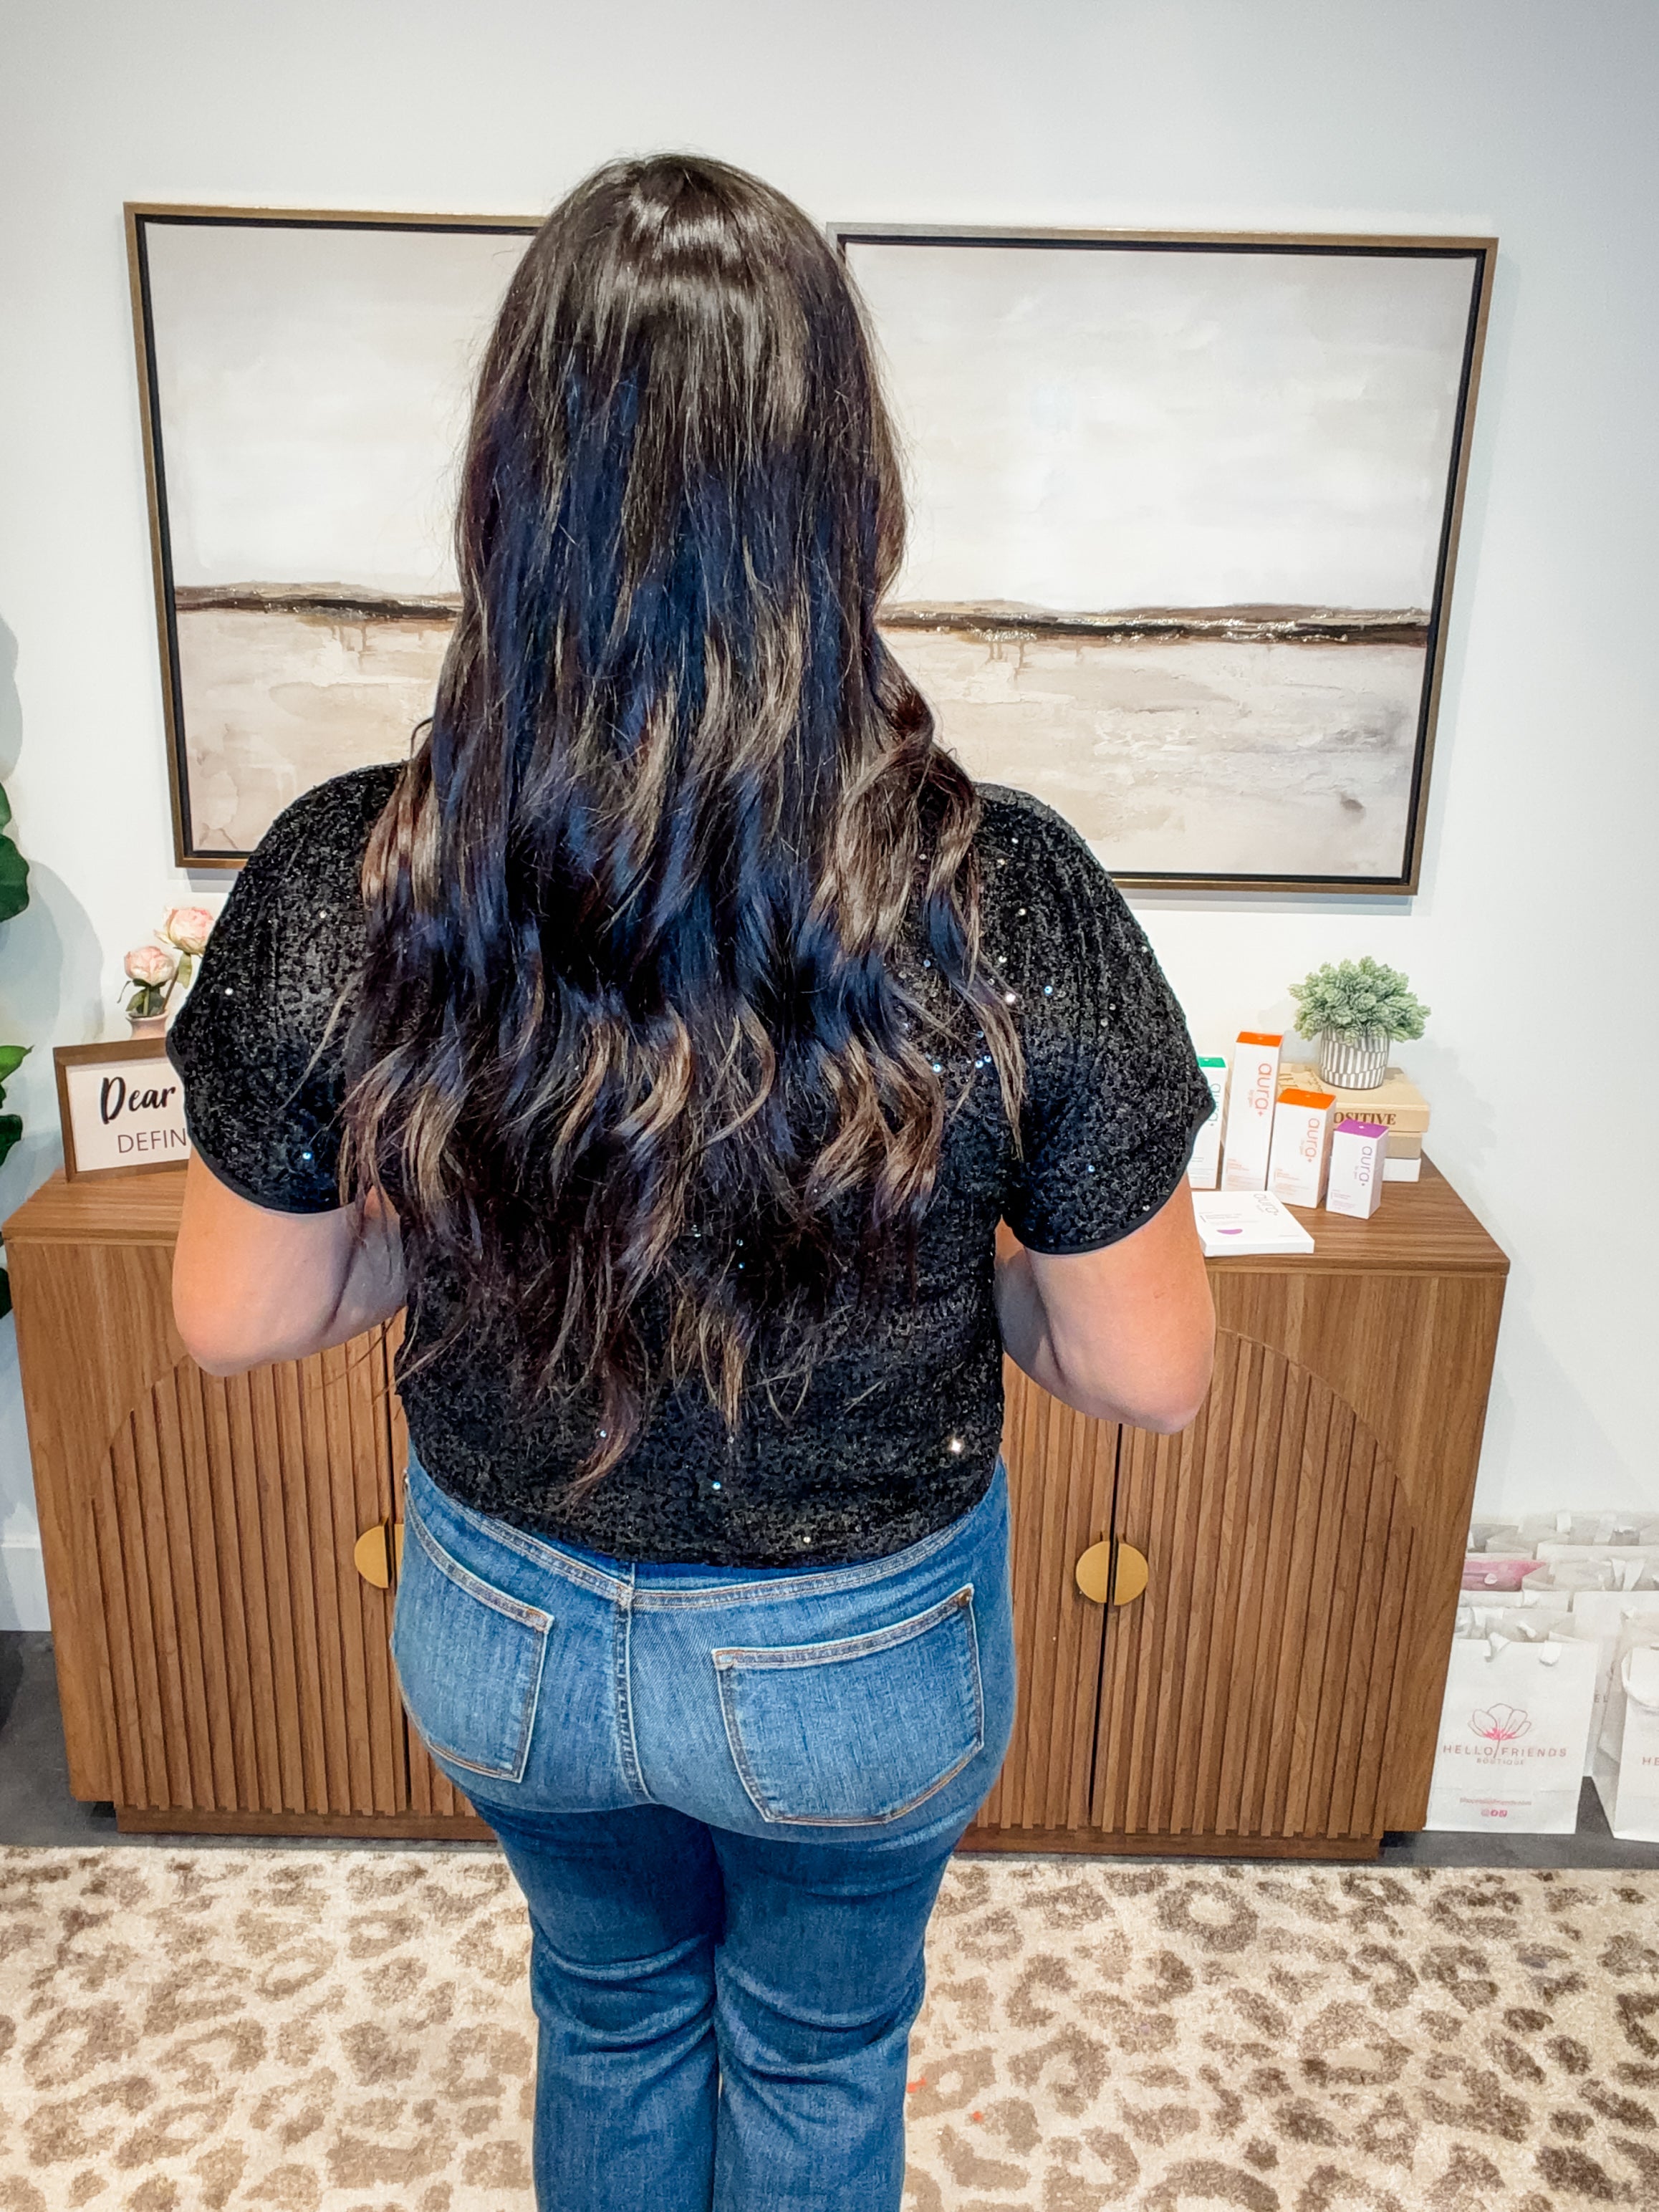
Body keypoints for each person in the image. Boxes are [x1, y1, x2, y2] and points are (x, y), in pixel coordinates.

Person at [167, 153, 1216, 2212]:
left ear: (511, 480)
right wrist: (958, 1272)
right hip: (860, 1657)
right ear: (845, 486)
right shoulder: (1001, 895)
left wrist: (465, 1219)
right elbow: (1149, 1372)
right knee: (815, 2060)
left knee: (611, 2010)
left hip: (508, 1631)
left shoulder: (354, 870)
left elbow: (239, 1314)